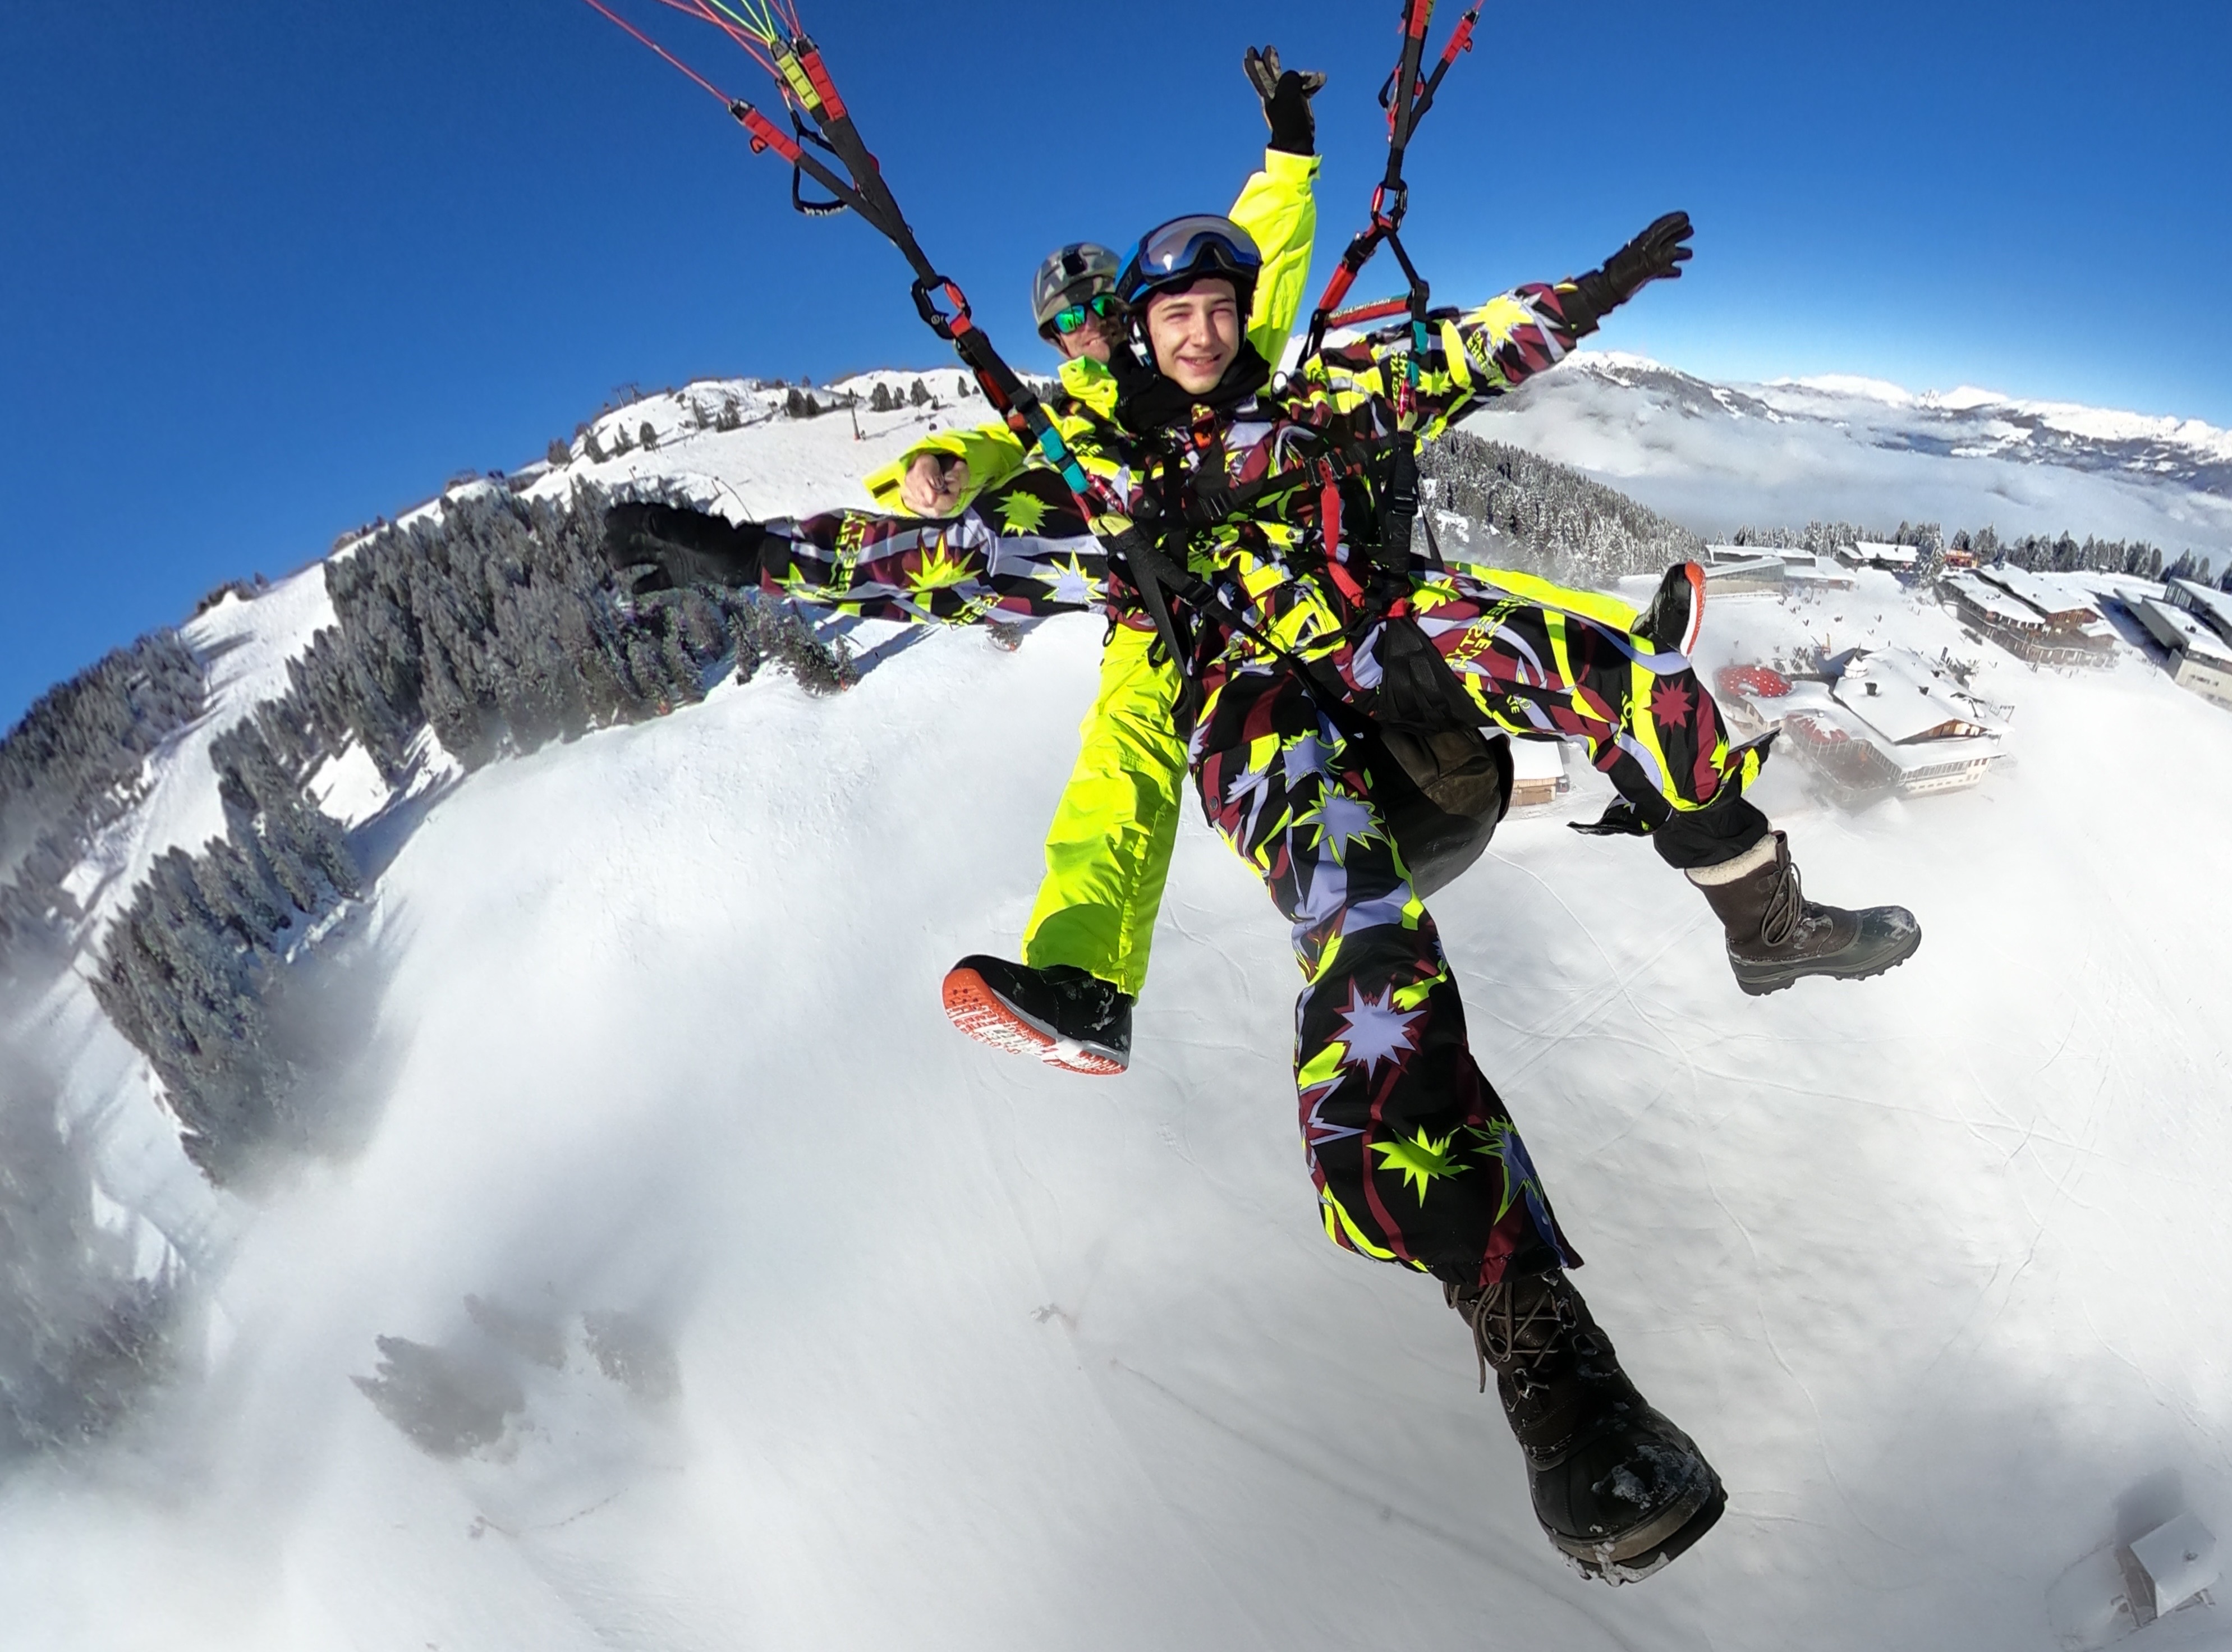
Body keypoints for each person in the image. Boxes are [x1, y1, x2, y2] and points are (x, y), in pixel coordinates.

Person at [604, 212, 1921, 1582]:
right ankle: (1546, 1358)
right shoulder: (1105, 485)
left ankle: (1764, 921)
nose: (1200, 331)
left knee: (1625, 677)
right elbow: (945, 561)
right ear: (1139, 332)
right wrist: (744, 557)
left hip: (1385, 636)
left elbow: (1447, 360)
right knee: (1371, 956)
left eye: (1218, 309)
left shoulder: (1311, 408)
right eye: (1172, 314)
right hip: (1263, 715)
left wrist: (1584, 297)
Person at [863, 49, 1325, 1076]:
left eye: (1099, 310)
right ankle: (1087, 985)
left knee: (1424, 613)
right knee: (1120, 763)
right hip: (1154, 608)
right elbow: (1002, 449)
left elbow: (1267, 261)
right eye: (1063, 323)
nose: (1087, 332)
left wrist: (1289, 152)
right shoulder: (1066, 417)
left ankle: (1629, 671)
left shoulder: (1197, 349)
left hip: (1266, 566)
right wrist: (934, 469)